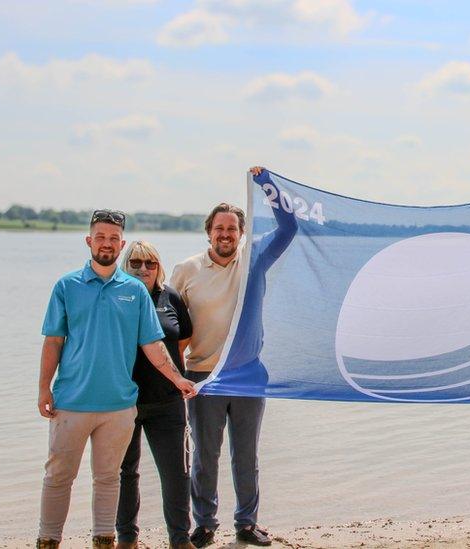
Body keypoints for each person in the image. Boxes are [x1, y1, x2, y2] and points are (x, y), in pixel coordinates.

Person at [36, 210, 196, 549]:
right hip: (71, 402)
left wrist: (178, 379)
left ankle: (107, 540)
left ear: (119, 243)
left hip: (121, 405)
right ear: (89, 240)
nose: (106, 244)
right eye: (100, 237)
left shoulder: (134, 293)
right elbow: (53, 341)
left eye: (113, 238)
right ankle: (48, 540)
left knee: (109, 480)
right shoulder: (66, 286)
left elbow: (153, 345)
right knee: (58, 477)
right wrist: (43, 389)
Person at [171, 167, 296, 548]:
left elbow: (289, 228)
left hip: (247, 375)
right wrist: (173, 377)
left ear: (241, 234)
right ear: (209, 232)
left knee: (246, 456)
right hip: (203, 376)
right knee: (205, 458)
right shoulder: (185, 271)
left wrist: (267, 185)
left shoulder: (254, 260)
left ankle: (246, 522)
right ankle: (205, 523)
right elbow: (167, 324)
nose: (225, 235)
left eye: (232, 229)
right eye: (219, 229)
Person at [115, 241, 195, 549]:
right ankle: (126, 537)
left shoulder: (170, 296)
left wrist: (170, 374)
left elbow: (183, 337)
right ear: (126, 266)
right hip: (124, 401)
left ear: (158, 266)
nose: (143, 269)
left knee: (176, 473)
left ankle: (179, 539)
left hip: (167, 402)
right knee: (126, 473)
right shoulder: (117, 297)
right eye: (136, 263)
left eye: (150, 263)